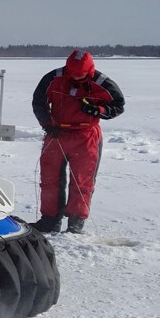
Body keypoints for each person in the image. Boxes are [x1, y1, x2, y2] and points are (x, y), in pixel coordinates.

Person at [31, 50, 125, 234]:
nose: (75, 77)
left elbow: (118, 106)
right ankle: (50, 220)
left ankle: (75, 223)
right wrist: (47, 123)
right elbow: (38, 101)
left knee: (82, 181)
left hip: (86, 137)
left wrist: (97, 110)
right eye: (71, 73)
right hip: (57, 133)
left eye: (80, 74)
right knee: (50, 179)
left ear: (89, 70)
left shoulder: (102, 83)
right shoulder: (53, 78)